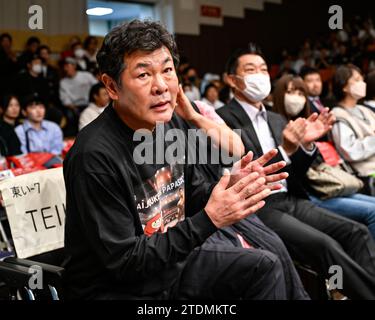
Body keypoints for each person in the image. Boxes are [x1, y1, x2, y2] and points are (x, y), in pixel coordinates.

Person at [63, 20, 298, 300]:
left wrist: (228, 188)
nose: (161, 86)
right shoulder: (94, 156)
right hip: (120, 288)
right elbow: (125, 262)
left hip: (169, 266)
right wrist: (210, 219)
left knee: (264, 265)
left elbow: (191, 189)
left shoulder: (170, 122)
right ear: (111, 87)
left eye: (167, 70)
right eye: (143, 75)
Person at [217, 45, 375, 299]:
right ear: (232, 79)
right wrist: (285, 149)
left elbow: (296, 173)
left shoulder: (276, 119)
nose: (260, 75)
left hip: (291, 199)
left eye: (263, 69)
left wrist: (307, 145)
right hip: (259, 206)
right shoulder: (221, 120)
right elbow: (243, 174)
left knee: (357, 231)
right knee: (325, 246)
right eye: (250, 69)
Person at [272, 74, 375, 239]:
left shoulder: (308, 123)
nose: (296, 99)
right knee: (372, 213)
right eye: (291, 92)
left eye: (301, 94)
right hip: (309, 193)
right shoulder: (274, 125)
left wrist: (308, 145)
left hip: (326, 185)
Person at [331, 64, 375, 188]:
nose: (362, 83)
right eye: (356, 80)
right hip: (366, 175)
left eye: (362, 79)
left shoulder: (365, 110)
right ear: (344, 86)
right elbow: (350, 151)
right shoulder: (337, 115)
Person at [59, 57, 98, 136]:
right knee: (70, 116)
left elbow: (97, 87)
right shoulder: (63, 82)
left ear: (74, 66)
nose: (66, 68)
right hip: (74, 106)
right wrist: (74, 108)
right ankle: (73, 137)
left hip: (89, 103)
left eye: (68, 66)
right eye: (64, 66)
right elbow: (64, 99)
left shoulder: (86, 75)